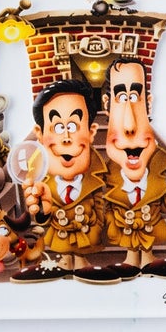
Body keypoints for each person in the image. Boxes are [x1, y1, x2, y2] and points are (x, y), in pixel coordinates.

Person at [11, 79, 119, 284]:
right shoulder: (40, 180)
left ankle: (80, 259)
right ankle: (66, 259)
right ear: (40, 134)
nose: (67, 137)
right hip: (59, 237)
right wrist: (42, 211)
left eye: (73, 126)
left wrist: (96, 229)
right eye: (59, 127)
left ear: (91, 132)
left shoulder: (98, 176)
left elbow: (100, 207)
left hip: (86, 235)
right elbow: (41, 216)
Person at [101, 58, 166, 279]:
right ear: (107, 104)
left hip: (151, 226)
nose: (129, 125)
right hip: (125, 229)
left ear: (148, 104)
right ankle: (131, 257)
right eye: (121, 98)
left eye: (135, 97)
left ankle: (147, 257)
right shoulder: (105, 173)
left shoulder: (162, 164)